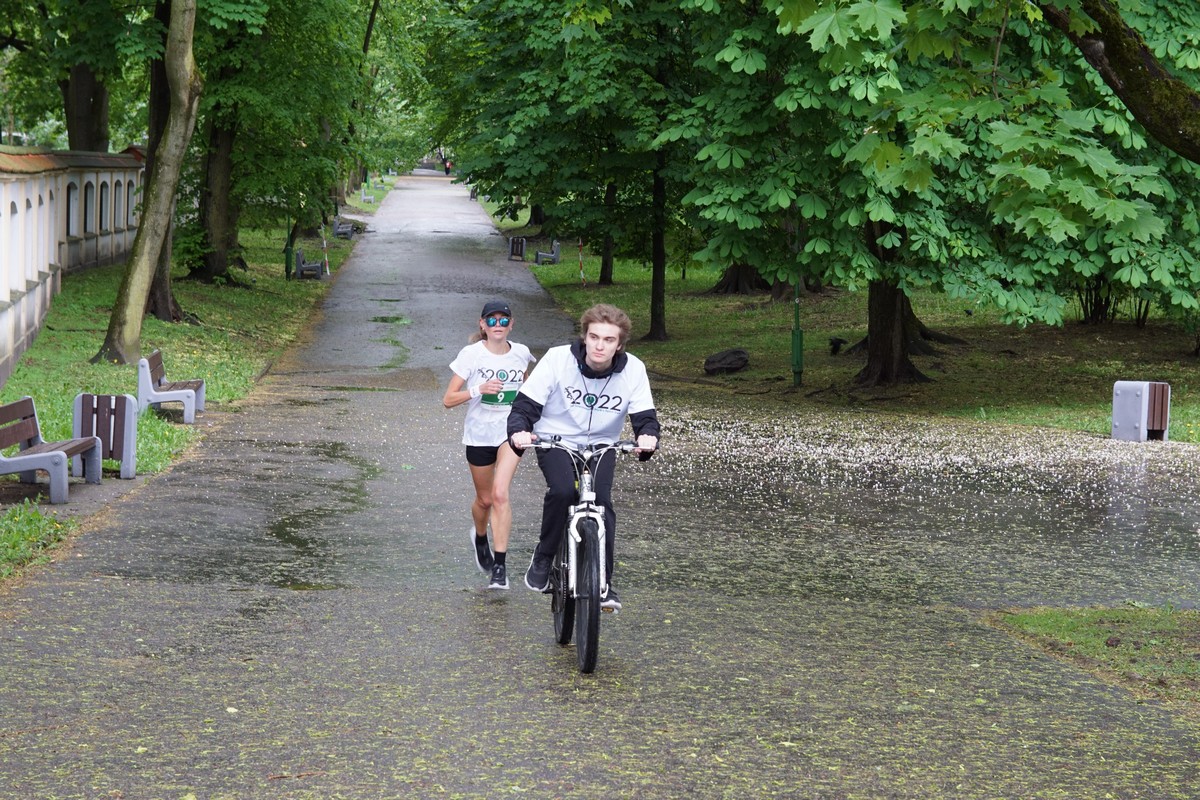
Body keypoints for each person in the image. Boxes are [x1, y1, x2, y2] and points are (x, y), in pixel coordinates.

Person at [507, 303, 659, 612]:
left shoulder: (634, 369)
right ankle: (544, 556)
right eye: (594, 337)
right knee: (563, 491)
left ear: (619, 345)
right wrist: (520, 430)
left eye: (609, 340)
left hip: (602, 444)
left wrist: (647, 437)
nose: (600, 345)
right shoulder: (558, 360)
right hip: (556, 440)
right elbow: (525, 405)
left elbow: (645, 416)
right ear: (585, 337)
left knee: (602, 503)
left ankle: (604, 583)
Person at [443, 300, 536, 590]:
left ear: (511, 324)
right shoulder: (471, 355)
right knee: (484, 500)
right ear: (482, 325)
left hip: (510, 433)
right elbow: (448, 399)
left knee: (499, 495)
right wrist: (478, 389)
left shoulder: (521, 353)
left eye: (503, 320)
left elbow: (529, 391)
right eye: (492, 320)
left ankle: (500, 567)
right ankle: (480, 536)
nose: (498, 325)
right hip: (479, 434)